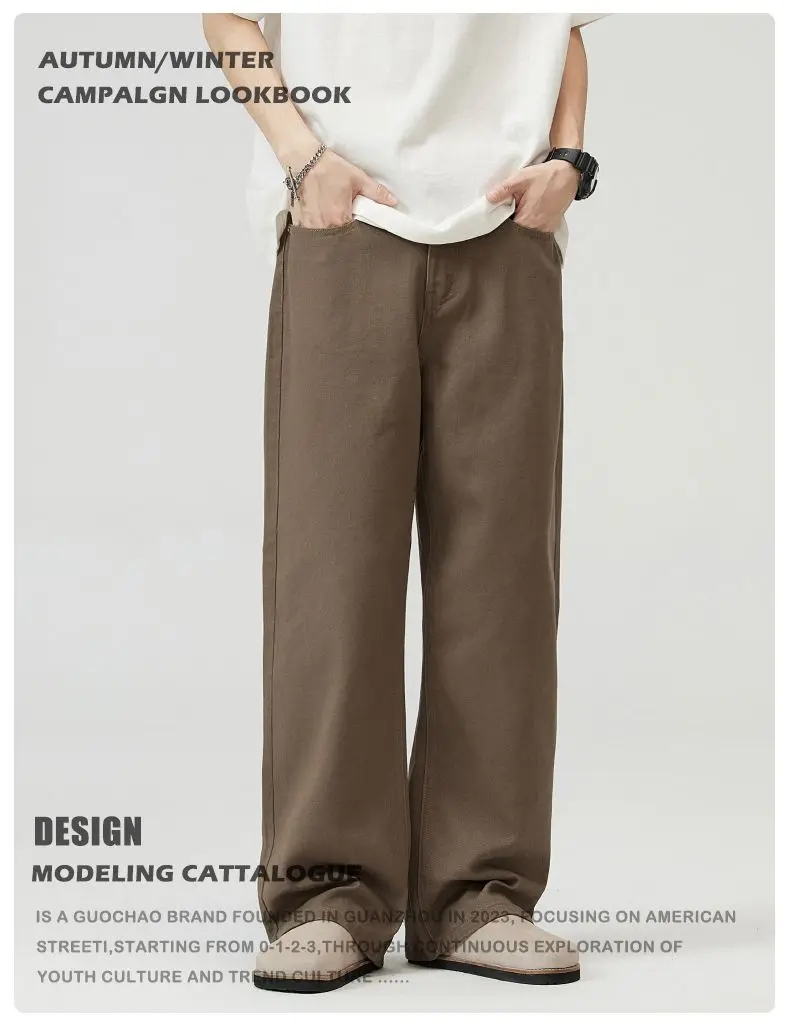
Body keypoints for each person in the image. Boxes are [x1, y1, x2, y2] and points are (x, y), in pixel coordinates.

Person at [202, 11, 604, 993]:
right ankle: (327, 897)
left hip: (507, 229)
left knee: (503, 582)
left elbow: (566, 23)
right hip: (342, 224)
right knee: (330, 577)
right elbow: (228, 16)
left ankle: (480, 895)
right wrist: (303, 158)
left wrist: (567, 160)